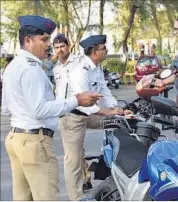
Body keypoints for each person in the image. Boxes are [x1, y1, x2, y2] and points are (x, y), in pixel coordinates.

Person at [1, 15, 101, 201]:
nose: (49, 45)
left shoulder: (13, 66)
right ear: (27, 40)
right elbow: (40, 110)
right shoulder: (31, 70)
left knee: (23, 198)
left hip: (16, 138)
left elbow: (6, 109)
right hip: (34, 143)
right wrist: (76, 100)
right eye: (44, 39)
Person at [62, 34, 130, 200]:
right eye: (103, 48)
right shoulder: (80, 70)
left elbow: (104, 91)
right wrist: (108, 112)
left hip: (92, 114)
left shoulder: (97, 67)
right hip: (74, 117)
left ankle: (109, 166)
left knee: (120, 122)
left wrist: (117, 109)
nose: (106, 50)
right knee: (73, 160)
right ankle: (76, 198)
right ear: (93, 51)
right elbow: (84, 101)